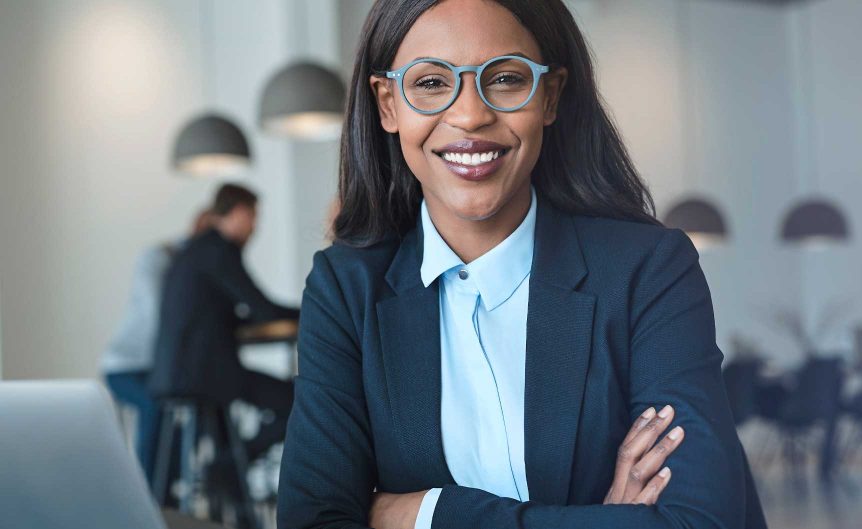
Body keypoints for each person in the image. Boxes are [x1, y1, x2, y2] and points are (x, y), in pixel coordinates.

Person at [277, 1, 767, 529]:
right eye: (432, 83)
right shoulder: (345, 290)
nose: (469, 116)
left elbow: (699, 522)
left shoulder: (648, 271)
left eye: (507, 79)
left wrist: (429, 514)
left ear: (550, 96)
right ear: (388, 104)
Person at [148, 183, 299, 462]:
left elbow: (224, 312)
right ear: (240, 213)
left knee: (262, 405)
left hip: (177, 372)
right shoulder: (219, 250)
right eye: (254, 217)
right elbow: (263, 309)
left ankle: (227, 471)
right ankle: (231, 463)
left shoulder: (196, 249)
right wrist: (314, 312)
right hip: (203, 375)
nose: (255, 227)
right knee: (299, 401)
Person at [100, 208, 214, 485]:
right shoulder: (158, 258)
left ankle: (171, 490)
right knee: (155, 408)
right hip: (125, 366)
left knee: (202, 407)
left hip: (161, 368)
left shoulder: (198, 267)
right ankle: (148, 493)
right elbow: (158, 316)